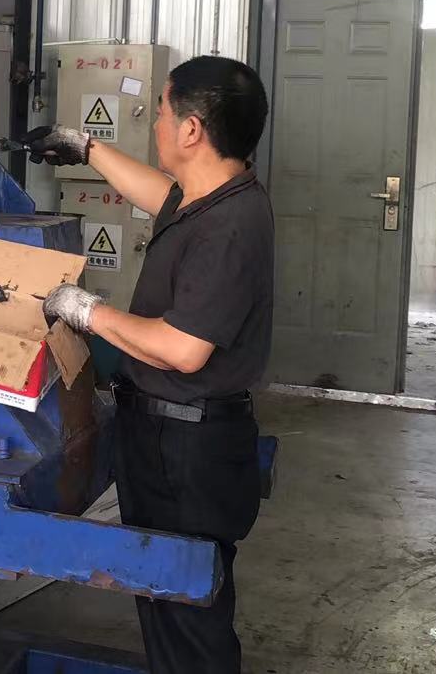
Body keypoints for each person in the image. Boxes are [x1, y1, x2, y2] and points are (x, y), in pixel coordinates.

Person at [30, 56, 274, 674]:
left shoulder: (227, 228)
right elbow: (158, 193)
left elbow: (182, 349)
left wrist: (86, 310)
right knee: (172, 611)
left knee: (186, 618)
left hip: (185, 454)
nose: (157, 124)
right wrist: (86, 147)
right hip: (171, 438)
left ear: (191, 130)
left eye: (162, 113)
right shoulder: (210, 197)